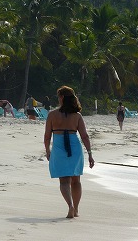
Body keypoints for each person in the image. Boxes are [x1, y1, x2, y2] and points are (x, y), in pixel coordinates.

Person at [44, 85, 94, 218]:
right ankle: (76, 209)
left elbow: (47, 136)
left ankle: (70, 206)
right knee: (76, 180)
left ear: (61, 98)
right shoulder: (77, 116)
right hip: (74, 147)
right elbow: (84, 136)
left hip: (59, 147)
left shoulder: (52, 115)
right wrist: (90, 154)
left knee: (64, 181)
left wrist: (47, 150)